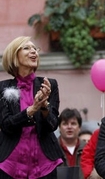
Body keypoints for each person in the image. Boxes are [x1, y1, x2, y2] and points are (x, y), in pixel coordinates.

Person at [0, 36, 63, 178]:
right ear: (14, 56)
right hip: (10, 164)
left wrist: (44, 106)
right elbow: (6, 125)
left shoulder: (49, 85)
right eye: (27, 48)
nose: (33, 51)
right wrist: (31, 110)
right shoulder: (3, 87)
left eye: (35, 48)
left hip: (44, 164)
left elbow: (52, 125)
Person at [58, 108, 86, 179]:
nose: (69, 127)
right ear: (59, 128)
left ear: (79, 127)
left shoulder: (87, 149)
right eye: (65, 124)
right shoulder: (52, 149)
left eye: (73, 123)